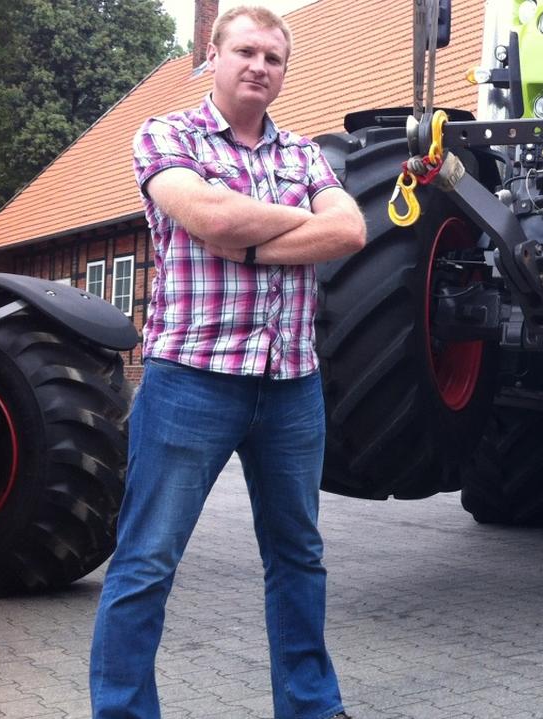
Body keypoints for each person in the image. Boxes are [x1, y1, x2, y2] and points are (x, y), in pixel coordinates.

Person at [89, 6, 365, 719]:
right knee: (147, 560)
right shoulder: (166, 134)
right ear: (213, 56)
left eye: (273, 58)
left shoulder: (302, 152)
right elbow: (209, 218)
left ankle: (311, 706)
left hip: (291, 384)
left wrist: (244, 244)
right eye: (245, 51)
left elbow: (350, 230)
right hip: (191, 380)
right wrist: (285, 223)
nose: (258, 67)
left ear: (284, 71)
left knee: (298, 556)